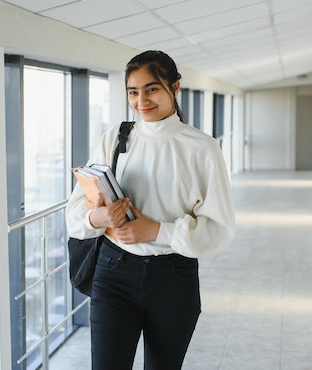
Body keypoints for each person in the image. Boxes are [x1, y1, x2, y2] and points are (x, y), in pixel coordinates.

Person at [66, 50, 235, 370]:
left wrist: (157, 230)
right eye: (133, 91)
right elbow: (77, 208)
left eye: (152, 88)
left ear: (175, 87)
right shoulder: (116, 137)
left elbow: (221, 228)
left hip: (173, 277)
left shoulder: (202, 148)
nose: (141, 99)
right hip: (113, 273)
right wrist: (96, 217)